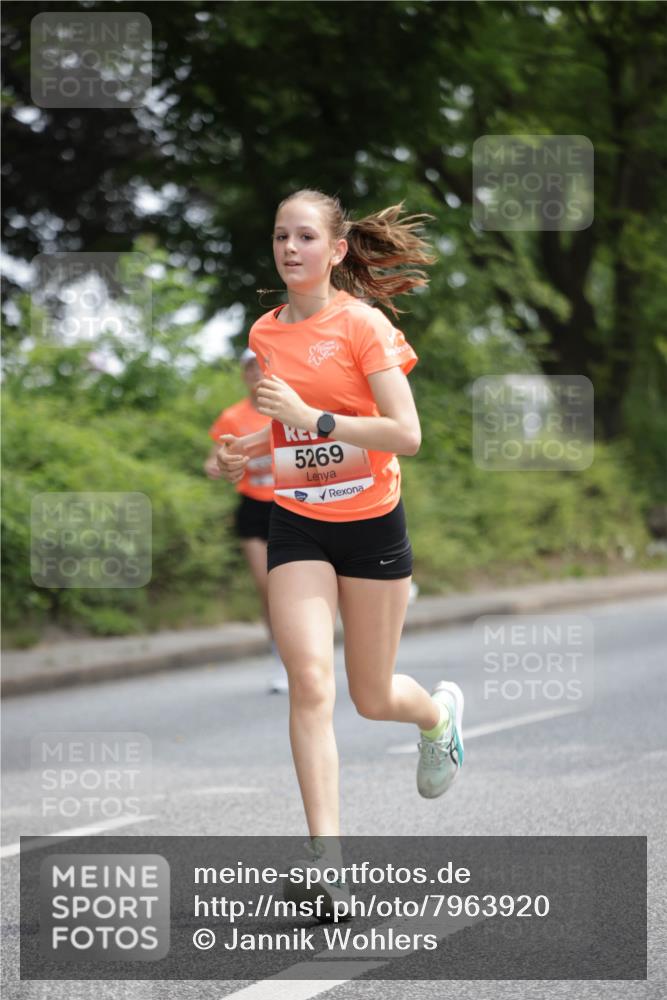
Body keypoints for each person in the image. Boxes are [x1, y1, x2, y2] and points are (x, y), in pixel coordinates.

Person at [216, 189, 464, 912]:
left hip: (371, 522)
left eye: (304, 237)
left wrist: (314, 417)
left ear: (336, 250)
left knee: (372, 696)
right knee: (309, 682)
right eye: (279, 236)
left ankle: (437, 719)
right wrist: (248, 447)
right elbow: (288, 428)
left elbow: (405, 434)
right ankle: (328, 867)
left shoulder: (363, 325)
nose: (289, 248)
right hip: (297, 522)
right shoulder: (266, 333)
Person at [204, 348, 288, 694]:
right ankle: (282, 660)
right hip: (253, 508)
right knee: (268, 588)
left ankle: (309, 654)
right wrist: (216, 465)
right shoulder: (233, 416)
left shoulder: (287, 408)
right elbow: (215, 456)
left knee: (296, 587)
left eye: (260, 367)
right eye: (249, 368)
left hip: (290, 505)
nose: (255, 373)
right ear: (243, 374)